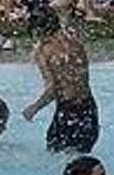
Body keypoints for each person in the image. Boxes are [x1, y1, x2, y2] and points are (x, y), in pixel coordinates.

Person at [22, 10, 100, 152]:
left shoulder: (45, 51)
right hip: (89, 110)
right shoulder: (76, 44)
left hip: (68, 111)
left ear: (38, 30)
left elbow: (52, 89)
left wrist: (34, 108)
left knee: (55, 160)